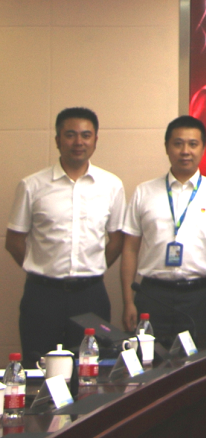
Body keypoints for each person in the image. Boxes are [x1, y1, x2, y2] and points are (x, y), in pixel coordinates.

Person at [5, 108, 125, 364]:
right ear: (58, 140)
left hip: (91, 294)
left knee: (90, 367)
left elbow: (116, 240)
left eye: (86, 135)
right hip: (42, 295)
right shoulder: (32, 185)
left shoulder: (111, 185)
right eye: (70, 135)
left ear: (95, 140)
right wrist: (41, 267)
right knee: (38, 366)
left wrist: (94, 266)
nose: (78, 142)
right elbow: (14, 241)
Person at [121, 116, 206, 348]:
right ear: (166, 147)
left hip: (200, 296)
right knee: (148, 361)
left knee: (199, 364)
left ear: (203, 148)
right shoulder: (144, 192)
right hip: (152, 294)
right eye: (178, 143)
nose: (185, 151)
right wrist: (128, 301)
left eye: (193, 144)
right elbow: (130, 249)